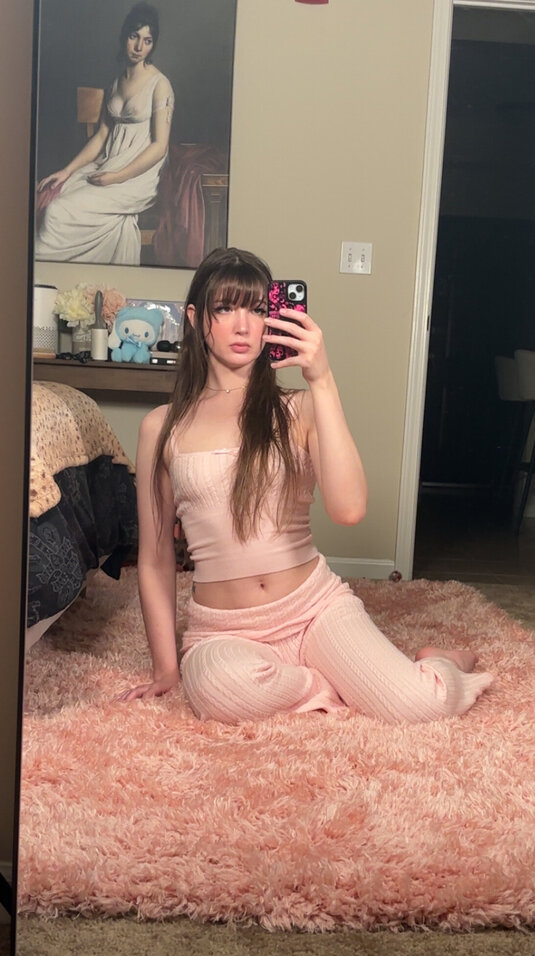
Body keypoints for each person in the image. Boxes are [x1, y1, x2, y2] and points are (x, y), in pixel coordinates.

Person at [120, 247, 493, 725]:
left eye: (258, 310)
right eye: (225, 308)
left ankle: (440, 661)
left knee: (423, 704)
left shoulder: (299, 409)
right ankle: (333, 683)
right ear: (194, 319)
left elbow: (349, 509)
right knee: (221, 693)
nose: (243, 326)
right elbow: (154, 557)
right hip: (223, 630)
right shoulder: (161, 427)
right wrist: (166, 668)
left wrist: (322, 379)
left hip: (315, 609)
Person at [36, 3, 173, 265]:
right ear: (124, 36)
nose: (138, 47)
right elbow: (101, 137)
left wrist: (117, 177)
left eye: (147, 41)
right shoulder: (115, 83)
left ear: (153, 44)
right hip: (107, 163)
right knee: (54, 193)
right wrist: (67, 171)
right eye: (134, 36)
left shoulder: (160, 85)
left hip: (137, 176)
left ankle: (47, 270)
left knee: (58, 212)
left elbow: (160, 147)